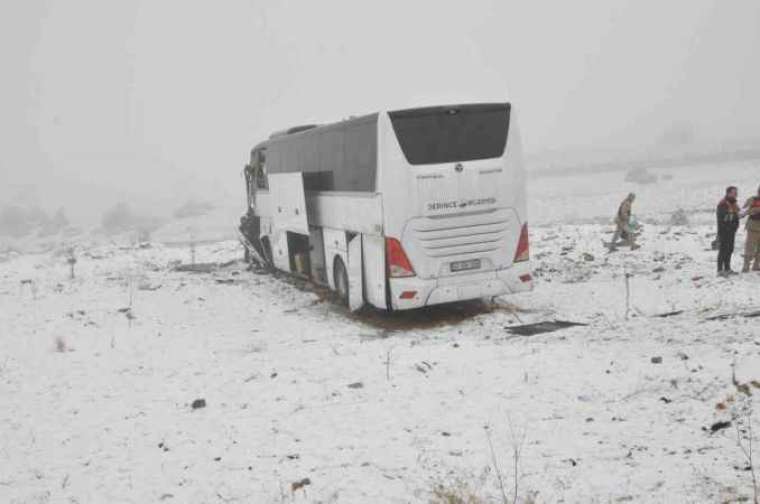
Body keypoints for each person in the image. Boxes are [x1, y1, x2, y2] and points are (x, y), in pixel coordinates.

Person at [716, 186, 741, 275]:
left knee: (730, 249)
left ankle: (727, 268)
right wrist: (735, 216)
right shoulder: (723, 204)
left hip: (731, 230)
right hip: (724, 231)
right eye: (734, 192)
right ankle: (719, 270)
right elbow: (723, 218)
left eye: (736, 192)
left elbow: (736, 215)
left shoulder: (734, 204)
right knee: (723, 250)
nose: (736, 194)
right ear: (728, 193)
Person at [741, 184, 760, 272]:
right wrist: (753, 210)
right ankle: (746, 266)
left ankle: (756, 265)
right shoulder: (752, 199)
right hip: (753, 227)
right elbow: (743, 211)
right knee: (749, 247)